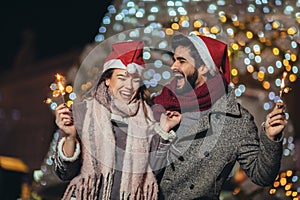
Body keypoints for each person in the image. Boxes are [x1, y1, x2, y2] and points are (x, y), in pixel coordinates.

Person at [151, 34, 287, 199]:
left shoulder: (235, 120)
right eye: (174, 60)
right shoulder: (159, 104)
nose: (173, 66)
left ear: (204, 68)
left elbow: (262, 176)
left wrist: (270, 139)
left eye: (181, 61)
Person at [53, 40, 179, 200]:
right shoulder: (82, 113)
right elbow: (64, 173)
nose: (129, 86)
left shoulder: (148, 118)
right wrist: (70, 137)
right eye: (122, 77)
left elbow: (154, 172)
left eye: (135, 79)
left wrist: (165, 130)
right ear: (107, 79)